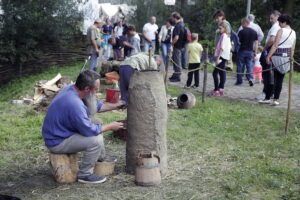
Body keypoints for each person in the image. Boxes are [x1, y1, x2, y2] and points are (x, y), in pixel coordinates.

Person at [42, 70, 125, 184]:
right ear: (87, 89)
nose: (97, 92)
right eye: (96, 89)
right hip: (57, 141)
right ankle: (85, 175)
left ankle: (100, 158)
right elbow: (90, 131)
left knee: (96, 121)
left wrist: (116, 105)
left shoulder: (73, 88)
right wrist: (111, 126)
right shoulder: (75, 104)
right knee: (95, 140)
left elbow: (96, 106)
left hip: (63, 130)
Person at [260, 14, 296, 106]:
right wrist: (290, 59)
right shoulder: (293, 32)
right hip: (286, 57)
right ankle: (276, 99)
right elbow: (292, 48)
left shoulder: (281, 30)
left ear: (284, 22)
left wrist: (268, 56)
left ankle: (268, 97)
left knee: (271, 78)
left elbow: (275, 45)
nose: (279, 24)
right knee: (280, 79)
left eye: (279, 22)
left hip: (277, 57)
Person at [256, 10, 281, 100]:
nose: (270, 20)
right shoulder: (277, 26)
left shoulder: (276, 26)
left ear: (277, 17)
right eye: (270, 18)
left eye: (272, 18)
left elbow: (272, 40)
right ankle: (270, 93)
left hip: (270, 51)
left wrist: (264, 48)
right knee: (270, 75)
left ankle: (266, 93)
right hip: (273, 52)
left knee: (267, 74)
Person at [209, 22, 231, 97]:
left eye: (221, 28)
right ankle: (221, 89)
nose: (219, 30)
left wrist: (218, 58)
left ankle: (216, 90)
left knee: (215, 73)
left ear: (225, 28)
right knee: (221, 73)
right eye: (219, 28)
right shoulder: (227, 36)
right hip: (224, 56)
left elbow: (222, 48)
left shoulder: (224, 36)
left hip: (222, 57)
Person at [236, 18, 258, 86]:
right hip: (250, 51)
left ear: (245, 23)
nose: (241, 25)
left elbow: (238, 42)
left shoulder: (241, 32)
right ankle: (250, 79)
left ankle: (239, 81)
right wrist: (255, 52)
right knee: (249, 66)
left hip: (242, 50)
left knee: (240, 65)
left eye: (242, 24)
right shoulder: (254, 32)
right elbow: (256, 43)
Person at [169, 12, 186, 82]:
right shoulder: (182, 24)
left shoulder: (178, 26)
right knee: (176, 60)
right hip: (181, 46)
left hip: (177, 46)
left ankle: (177, 77)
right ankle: (175, 74)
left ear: (175, 18)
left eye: (172, 17)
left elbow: (176, 37)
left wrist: (172, 44)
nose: (171, 19)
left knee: (177, 61)